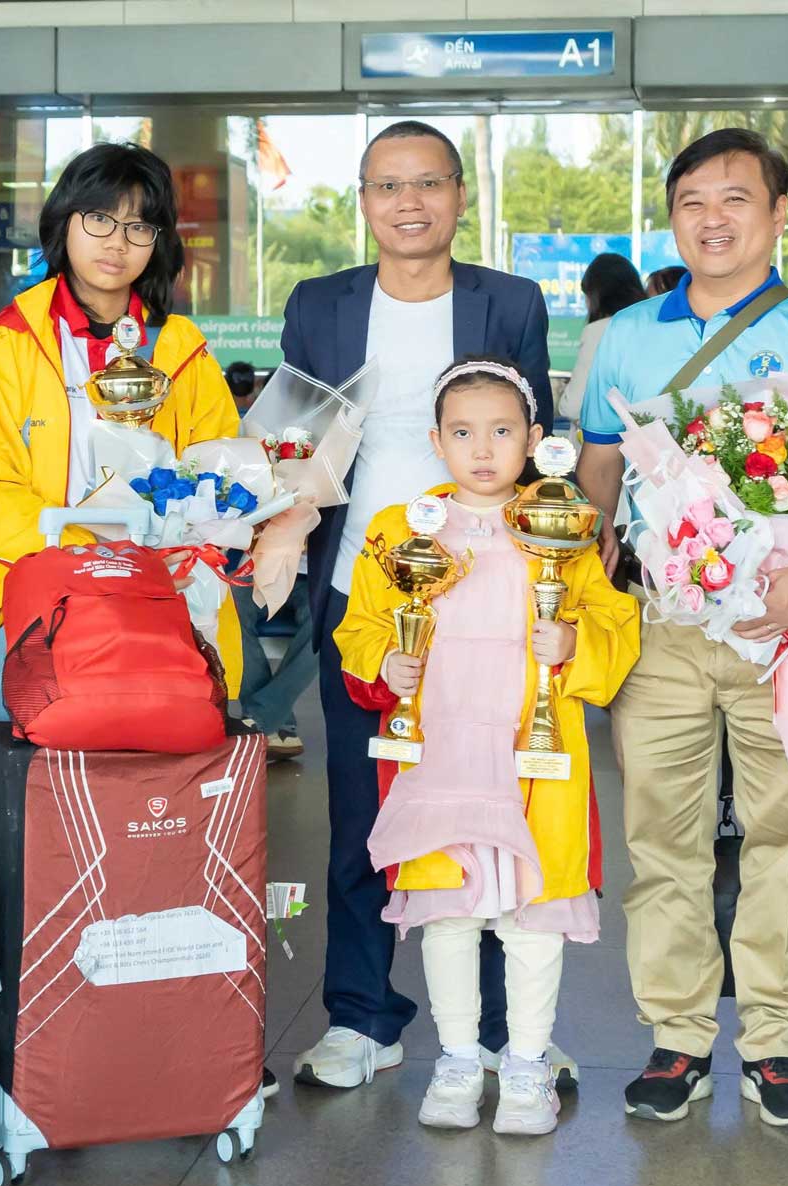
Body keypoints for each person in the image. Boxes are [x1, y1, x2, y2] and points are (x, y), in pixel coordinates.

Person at [573, 128, 788, 1127]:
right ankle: (677, 1038)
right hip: (663, 629)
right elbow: (599, 466)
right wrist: (594, 560)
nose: (712, 219)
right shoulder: (628, 334)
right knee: (662, 838)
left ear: (777, 214)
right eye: (692, 203)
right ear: (673, 219)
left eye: (735, 199)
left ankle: (775, 1043)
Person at [279, 119, 560, 1092]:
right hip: (362, 595)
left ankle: (506, 1032)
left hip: (490, 599)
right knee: (363, 809)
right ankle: (363, 1016)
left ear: (458, 196)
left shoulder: (509, 302)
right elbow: (294, 444)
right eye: (389, 186)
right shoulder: (319, 304)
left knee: (495, 803)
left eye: (429, 183)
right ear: (364, 201)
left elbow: (534, 449)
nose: (410, 202)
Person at [338, 356, 639, 1135]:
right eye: (463, 432)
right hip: (442, 749)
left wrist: (573, 640)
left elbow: (614, 618)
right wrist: (384, 660)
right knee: (447, 912)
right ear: (436, 441)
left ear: (535, 440)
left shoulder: (563, 526)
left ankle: (528, 1065)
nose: (482, 449)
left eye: (502, 432)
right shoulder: (400, 530)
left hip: (532, 753)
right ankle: (458, 1060)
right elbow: (360, 624)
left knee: (534, 913)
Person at [0, 142, 243, 719]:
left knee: (181, 702)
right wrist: (89, 552)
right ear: (66, 221)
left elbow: (219, 469)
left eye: (139, 227)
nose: (117, 242)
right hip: (49, 576)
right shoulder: (9, 343)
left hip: (168, 583)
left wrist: (161, 552)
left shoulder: (180, 346)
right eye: (101, 219)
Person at [558, 253, 647, 424]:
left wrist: (564, 394)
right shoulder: (651, 326)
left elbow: (573, 406)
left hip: (602, 438)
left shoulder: (598, 331)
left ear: (596, 295)